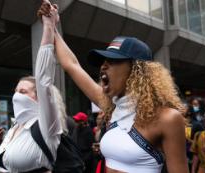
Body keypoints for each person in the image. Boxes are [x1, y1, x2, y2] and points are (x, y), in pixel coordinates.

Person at [38, 3, 188, 172]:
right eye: (103, 62)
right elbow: (72, 65)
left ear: (136, 70)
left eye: (113, 61)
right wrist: (52, 25)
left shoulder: (167, 118)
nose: (103, 66)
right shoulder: (111, 107)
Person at [0, 3, 68, 172]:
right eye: (15, 92)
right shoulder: (15, 127)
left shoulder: (46, 124)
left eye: (23, 92)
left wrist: (49, 27)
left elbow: (43, 79)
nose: (16, 97)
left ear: (38, 97)